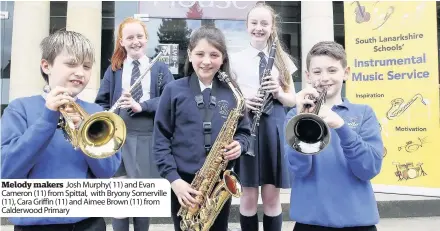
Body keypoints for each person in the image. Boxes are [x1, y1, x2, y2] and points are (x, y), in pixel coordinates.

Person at [1, 30, 121, 231]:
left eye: (86, 66)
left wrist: (85, 133)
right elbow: (7, 172)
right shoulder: (19, 108)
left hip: (89, 224)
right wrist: (48, 117)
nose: (80, 72)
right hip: (36, 225)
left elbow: (107, 171)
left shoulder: (96, 113)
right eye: (71, 64)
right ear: (46, 65)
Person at [153, 26, 251, 231]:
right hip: (183, 185)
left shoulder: (232, 92)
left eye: (214, 55)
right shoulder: (173, 90)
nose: (206, 61)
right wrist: (174, 181)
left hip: (217, 182)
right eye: (200, 54)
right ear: (189, 55)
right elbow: (160, 139)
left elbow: (245, 132)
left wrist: (240, 145)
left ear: (223, 58)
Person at [284, 41, 383, 231]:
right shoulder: (294, 115)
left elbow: (369, 168)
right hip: (310, 222)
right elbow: (297, 170)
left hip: (357, 222)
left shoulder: (364, 113)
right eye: (317, 72)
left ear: (345, 73)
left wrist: (341, 126)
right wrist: (302, 119)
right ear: (308, 76)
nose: (324, 78)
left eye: (332, 70)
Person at [95, 17, 174, 231]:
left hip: (147, 136)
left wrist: (143, 106)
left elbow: (170, 102)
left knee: (142, 199)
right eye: (129, 37)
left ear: (146, 39)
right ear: (122, 41)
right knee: (121, 199)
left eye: (139, 36)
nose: (135, 41)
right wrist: (114, 105)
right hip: (118, 139)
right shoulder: (114, 70)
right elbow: (100, 103)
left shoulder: (159, 68)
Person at [229, 3, 297, 231]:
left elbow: (292, 100)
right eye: (254, 23)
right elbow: (227, 100)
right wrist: (244, 102)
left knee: (271, 197)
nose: (259, 28)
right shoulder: (234, 60)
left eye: (264, 23)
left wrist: (278, 92)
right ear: (247, 26)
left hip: (273, 129)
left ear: (272, 26)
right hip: (247, 128)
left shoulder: (282, 60)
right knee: (247, 197)